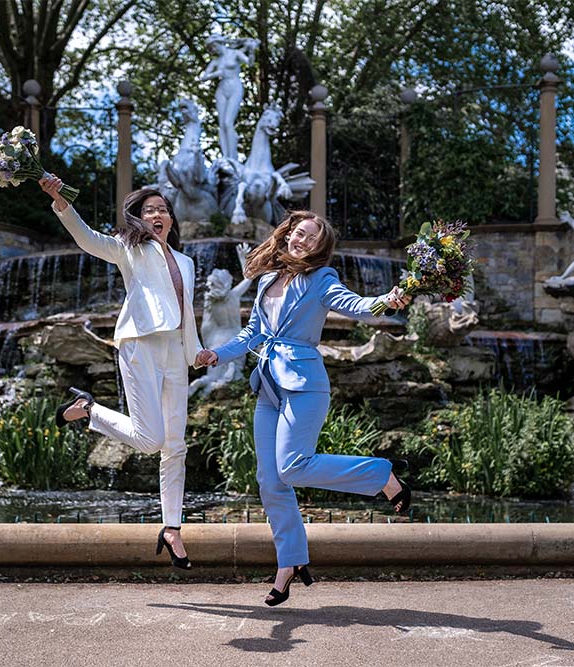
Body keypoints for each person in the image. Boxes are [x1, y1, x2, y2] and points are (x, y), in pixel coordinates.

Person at [195, 210, 412, 606]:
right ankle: (289, 563)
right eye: (299, 233)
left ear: (320, 248)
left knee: (293, 465)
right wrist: (216, 354)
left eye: (312, 238)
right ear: (288, 234)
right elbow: (254, 332)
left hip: (305, 385)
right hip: (268, 386)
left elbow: (356, 305)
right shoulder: (264, 279)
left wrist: (388, 301)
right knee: (270, 480)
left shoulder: (321, 279)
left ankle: (382, 474)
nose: (303, 241)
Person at [40, 176, 204, 570]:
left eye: (163, 209)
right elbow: (86, 238)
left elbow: (187, 313)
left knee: (175, 446)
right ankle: (90, 410)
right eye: (150, 210)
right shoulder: (128, 249)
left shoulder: (186, 261)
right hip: (140, 344)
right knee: (150, 441)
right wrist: (60, 198)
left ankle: (172, 527)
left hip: (175, 352)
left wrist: (197, 353)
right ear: (139, 218)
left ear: (171, 218)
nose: (158, 214)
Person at [198, 35, 259, 161]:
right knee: (222, 125)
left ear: (219, 43)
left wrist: (252, 50)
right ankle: (225, 156)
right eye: (211, 49)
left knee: (228, 123)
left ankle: (233, 157)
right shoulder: (216, 61)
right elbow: (203, 77)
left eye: (213, 47)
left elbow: (250, 63)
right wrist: (216, 74)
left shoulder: (235, 53)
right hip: (222, 89)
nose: (213, 50)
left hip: (235, 86)